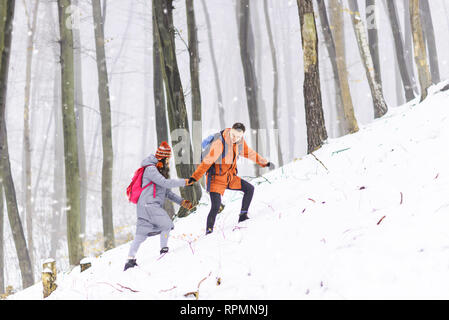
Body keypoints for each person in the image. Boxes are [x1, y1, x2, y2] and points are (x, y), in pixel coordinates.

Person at [188, 123, 275, 235]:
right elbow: (207, 162)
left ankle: (243, 216)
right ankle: (208, 232)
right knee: (215, 206)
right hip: (216, 179)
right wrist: (194, 177)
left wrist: (265, 163)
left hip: (229, 177)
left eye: (239, 137)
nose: (235, 139)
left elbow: (250, 153)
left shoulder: (239, 143)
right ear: (231, 131)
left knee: (249, 189)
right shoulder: (219, 143)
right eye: (233, 135)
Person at [124, 141, 194, 271]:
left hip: (144, 206)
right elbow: (165, 183)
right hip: (150, 205)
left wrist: (182, 202)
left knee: (141, 235)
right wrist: (185, 182)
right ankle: (164, 251)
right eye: (167, 159)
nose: (168, 162)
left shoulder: (157, 170)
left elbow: (166, 192)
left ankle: (130, 260)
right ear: (162, 157)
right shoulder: (151, 169)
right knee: (166, 225)